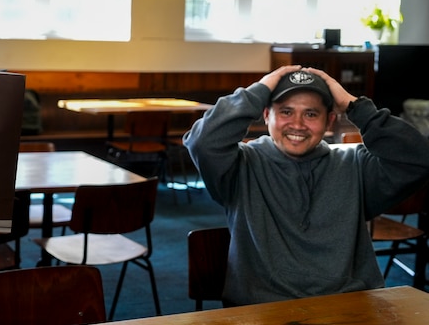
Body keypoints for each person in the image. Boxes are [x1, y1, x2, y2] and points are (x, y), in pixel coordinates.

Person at [183, 64, 429, 307]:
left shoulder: (356, 166)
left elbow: (419, 159)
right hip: (261, 314)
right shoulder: (240, 166)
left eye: (311, 114)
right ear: (267, 115)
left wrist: (355, 107)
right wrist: (257, 91)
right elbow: (202, 143)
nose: (298, 124)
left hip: (349, 307)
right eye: (286, 112)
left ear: (329, 121)